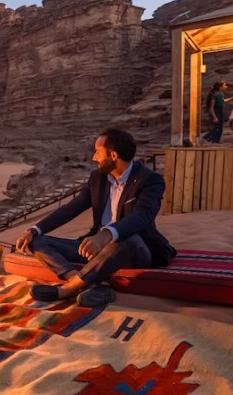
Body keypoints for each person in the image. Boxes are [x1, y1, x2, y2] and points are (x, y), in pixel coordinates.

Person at [15, 128, 176, 307]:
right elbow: (71, 208)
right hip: (96, 250)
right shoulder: (98, 178)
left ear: (113, 155)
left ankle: (67, 290)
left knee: (126, 240)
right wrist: (34, 229)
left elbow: (141, 218)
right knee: (37, 241)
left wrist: (106, 235)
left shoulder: (149, 180)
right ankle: (83, 283)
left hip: (135, 251)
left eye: (98, 152)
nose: (94, 158)